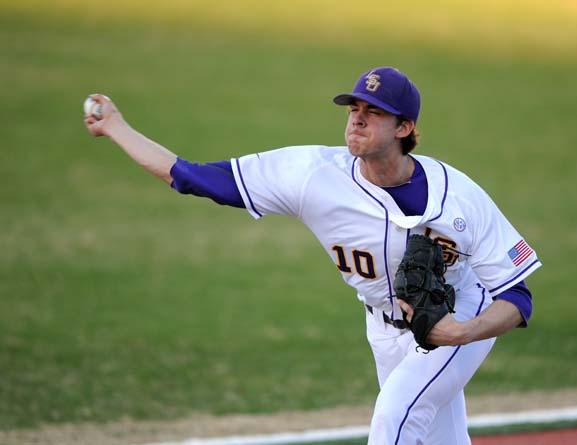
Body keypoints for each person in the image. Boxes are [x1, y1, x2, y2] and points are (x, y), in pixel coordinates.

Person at [84, 66, 541, 444]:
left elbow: (519, 299)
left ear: (404, 129)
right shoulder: (312, 175)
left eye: (374, 112)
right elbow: (193, 177)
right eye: (354, 108)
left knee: (393, 419)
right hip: (381, 330)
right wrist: (117, 126)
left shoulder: (460, 197)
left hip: (458, 315)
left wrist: (460, 333)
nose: (357, 119)